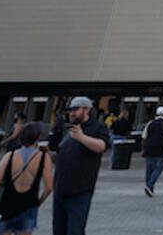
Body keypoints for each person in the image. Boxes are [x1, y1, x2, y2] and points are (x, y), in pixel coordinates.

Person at [48, 95, 111, 235]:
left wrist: (82, 137)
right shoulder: (69, 129)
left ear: (87, 109)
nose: (72, 113)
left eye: (75, 109)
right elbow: (60, 156)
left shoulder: (97, 127)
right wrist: (46, 155)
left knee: (75, 231)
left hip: (80, 190)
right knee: (58, 231)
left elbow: (102, 146)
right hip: (60, 189)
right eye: (70, 110)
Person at [0, 122, 52, 235]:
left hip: (7, 207)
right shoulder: (44, 157)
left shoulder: (9, 155)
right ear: (38, 137)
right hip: (28, 207)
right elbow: (49, 187)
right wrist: (38, 203)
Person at [141, 106, 163, 197]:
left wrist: (143, 149)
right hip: (160, 147)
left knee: (149, 169)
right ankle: (150, 185)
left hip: (149, 147)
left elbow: (143, 138)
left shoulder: (150, 123)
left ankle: (149, 187)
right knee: (159, 167)